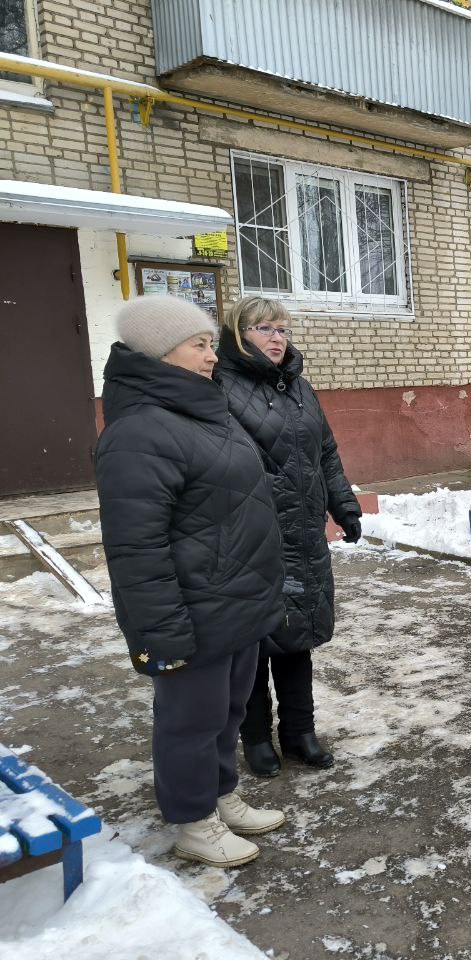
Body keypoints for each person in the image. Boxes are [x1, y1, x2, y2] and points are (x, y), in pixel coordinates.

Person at [95, 295, 286, 868]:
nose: (212, 354)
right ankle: (193, 821)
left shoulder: (205, 411)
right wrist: (161, 630)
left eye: (210, 343)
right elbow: (135, 548)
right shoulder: (138, 434)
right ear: (159, 353)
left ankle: (220, 795)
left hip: (235, 601)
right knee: (188, 722)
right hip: (192, 609)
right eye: (200, 344)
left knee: (226, 712)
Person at [215, 297, 361, 778]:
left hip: (302, 534)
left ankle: (300, 731)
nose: (278, 337)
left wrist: (343, 504)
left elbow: (326, 452)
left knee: (297, 636)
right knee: (255, 640)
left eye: (282, 328)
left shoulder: (299, 386)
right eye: (264, 328)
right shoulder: (220, 386)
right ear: (239, 334)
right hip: (250, 537)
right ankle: (256, 738)